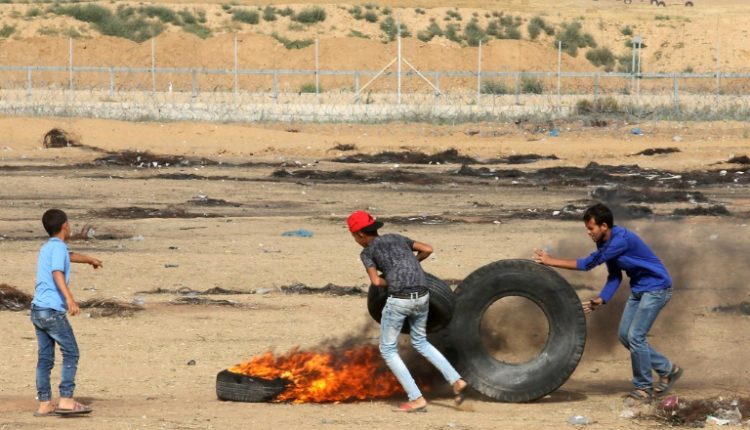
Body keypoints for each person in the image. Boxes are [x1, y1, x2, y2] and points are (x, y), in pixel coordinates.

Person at [532, 203, 682, 401]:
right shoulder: (604, 242)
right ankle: (668, 370)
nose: (588, 232)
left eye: (590, 228)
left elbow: (588, 263)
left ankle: (643, 388)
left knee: (636, 336)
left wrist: (551, 261)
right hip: (640, 289)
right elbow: (615, 275)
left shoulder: (620, 241)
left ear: (604, 226)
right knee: (625, 335)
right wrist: (602, 298)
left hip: (657, 288)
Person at [347, 210, 468, 412]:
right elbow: (428, 249)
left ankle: (416, 398)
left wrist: (394, 278)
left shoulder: (367, 253)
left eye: (353, 236)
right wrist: (410, 265)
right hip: (423, 295)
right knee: (420, 341)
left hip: (400, 300)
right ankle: (456, 381)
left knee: (388, 350)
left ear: (359, 234)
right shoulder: (396, 238)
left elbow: (376, 282)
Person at [31, 209, 102, 417]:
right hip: (52, 311)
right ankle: (66, 400)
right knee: (71, 352)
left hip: (37, 310)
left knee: (45, 358)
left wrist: (89, 259)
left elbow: (68, 257)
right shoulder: (58, 247)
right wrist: (70, 298)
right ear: (65, 226)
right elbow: (57, 271)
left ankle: (44, 404)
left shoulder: (49, 247)